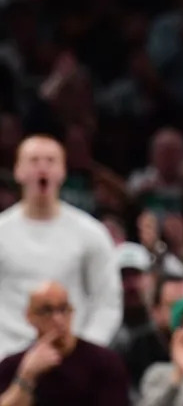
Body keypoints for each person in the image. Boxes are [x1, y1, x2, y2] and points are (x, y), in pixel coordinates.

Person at [0, 135, 122, 357]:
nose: (42, 168)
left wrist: (86, 351)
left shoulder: (90, 233)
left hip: (72, 356)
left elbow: (107, 301)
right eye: (34, 160)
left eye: (50, 160)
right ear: (18, 171)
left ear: (63, 171)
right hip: (7, 357)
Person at [0, 281, 129, 405]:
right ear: (30, 317)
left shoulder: (104, 362)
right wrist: (27, 376)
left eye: (63, 309)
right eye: (46, 311)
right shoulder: (13, 366)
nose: (58, 319)